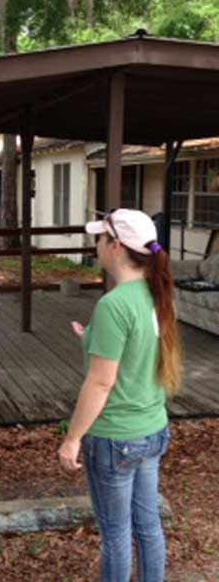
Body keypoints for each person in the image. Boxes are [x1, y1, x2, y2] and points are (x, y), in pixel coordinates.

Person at [58, 208, 182, 582]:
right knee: (148, 526)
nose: (95, 244)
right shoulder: (158, 295)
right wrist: (93, 339)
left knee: (115, 535)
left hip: (115, 438)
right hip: (152, 429)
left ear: (115, 246)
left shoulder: (114, 304)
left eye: (100, 237)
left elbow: (101, 383)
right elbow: (138, 351)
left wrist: (72, 438)